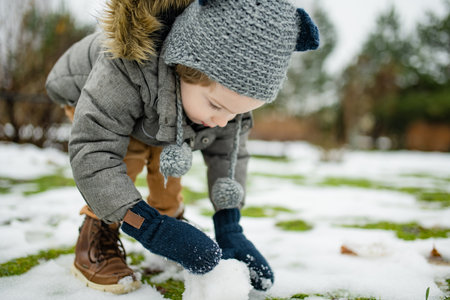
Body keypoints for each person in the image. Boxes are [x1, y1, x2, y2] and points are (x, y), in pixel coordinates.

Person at [46, 0, 319, 295]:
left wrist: (230, 227)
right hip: (87, 95)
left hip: (157, 107)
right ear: (185, 66)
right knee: (130, 156)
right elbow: (95, 149)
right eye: (216, 106)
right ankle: (96, 237)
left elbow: (230, 155)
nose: (222, 121)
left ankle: (171, 218)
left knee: (170, 154)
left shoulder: (226, 104)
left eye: (235, 113)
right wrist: (148, 227)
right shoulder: (126, 65)